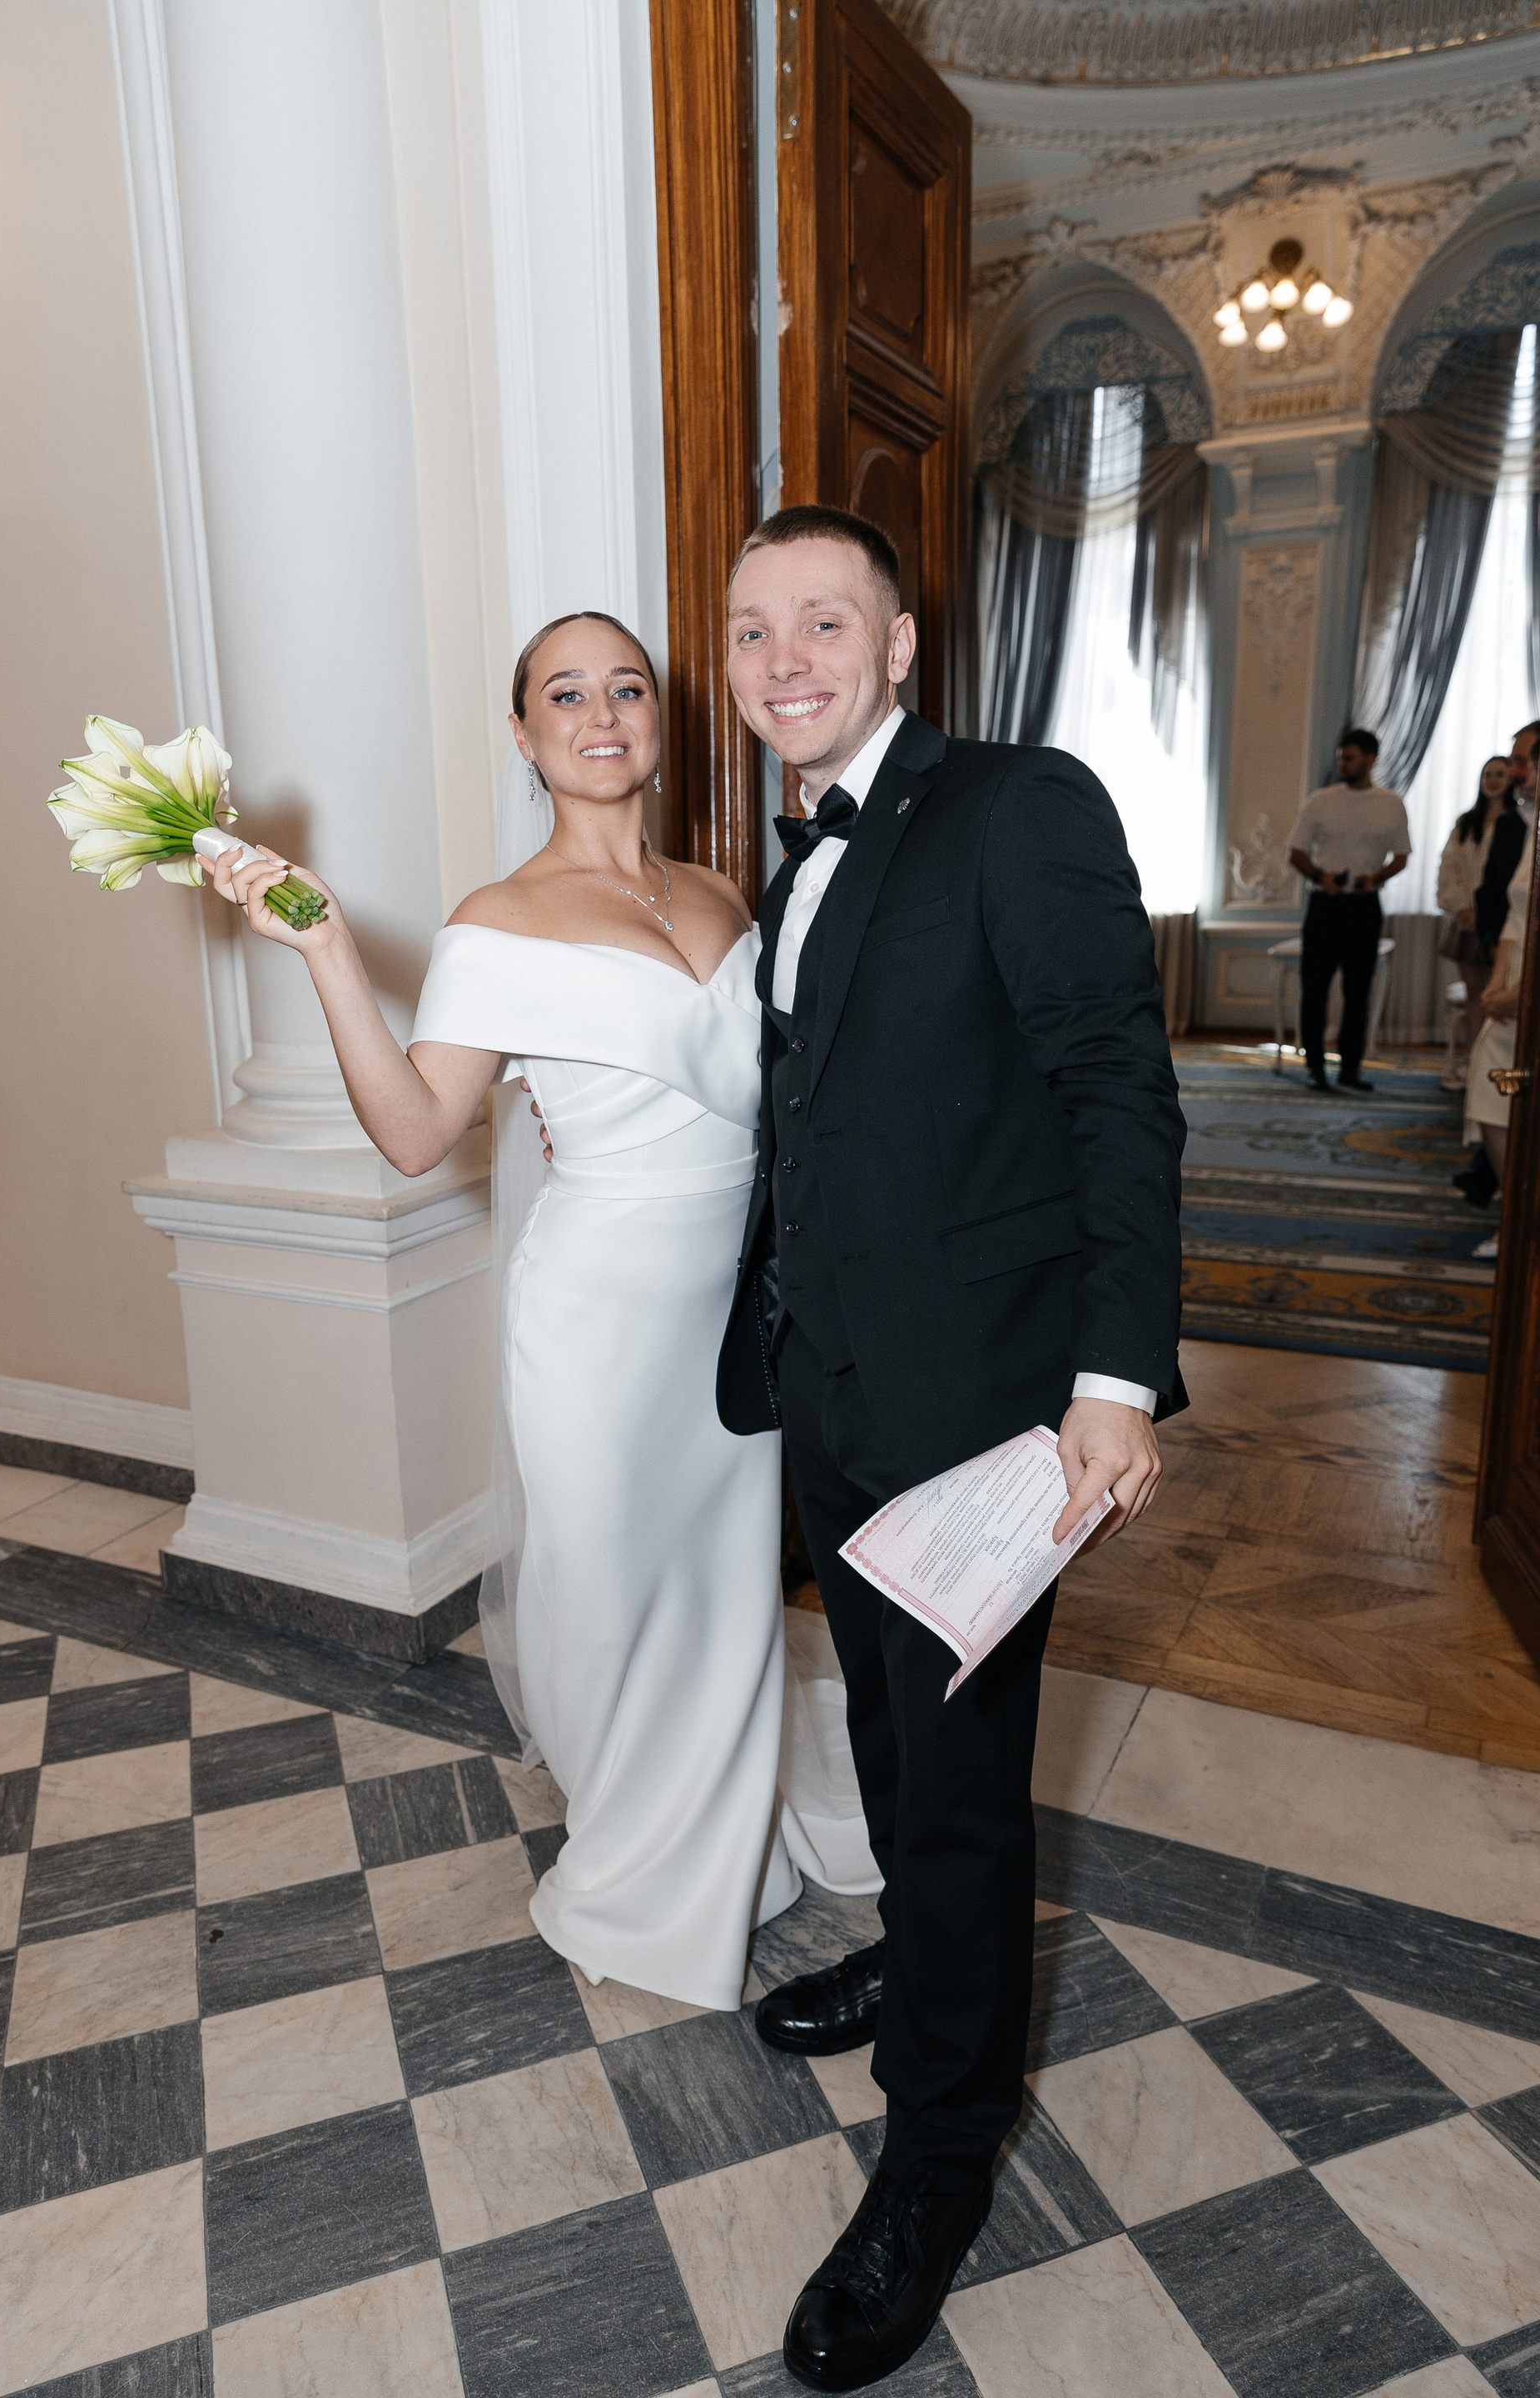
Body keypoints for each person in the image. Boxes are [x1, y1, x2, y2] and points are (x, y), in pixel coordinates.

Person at [206, 609, 873, 2013]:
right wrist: (324, 949)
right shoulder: (496, 924)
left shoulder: (726, 898)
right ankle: (642, 1867)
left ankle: (732, 1840)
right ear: (524, 733)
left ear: (661, 718)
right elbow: (415, 1134)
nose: (600, 713)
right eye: (565, 694)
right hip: (596, 1320)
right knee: (609, 1588)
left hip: (731, 1318)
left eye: (625, 687)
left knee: (725, 1589)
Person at [718, 504, 1185, 2391]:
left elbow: (1115, 1092)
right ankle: (924, 1960)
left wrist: (1115, 1382)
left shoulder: (1016, 804)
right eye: (753, 630)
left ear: (901, 645)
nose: (784, 660)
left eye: (824, 621)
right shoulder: (793, 861)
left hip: (986, 1410)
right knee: (894, 1737)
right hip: (833, 1387)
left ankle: (938, 2149)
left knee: (967, 1782)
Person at [1288, 728, 1410, 1094]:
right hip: (1324, 906)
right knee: (1314, 990)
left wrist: (1376, 877)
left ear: (1371, 760)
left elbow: (1401, 857)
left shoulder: (1391, 803)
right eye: (1341, 757)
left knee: (1359, 992)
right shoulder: (1320, 800)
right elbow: (1296, 852)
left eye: (1350, 758)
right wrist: (1320, 876)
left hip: (1364, 907)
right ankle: (1315, 1067)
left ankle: (1350, 1070)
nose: (1343, 763)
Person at [1463, 823, 1532, 1261]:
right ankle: (1515, 1217)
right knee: (1497, 1090)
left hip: (1531, 996)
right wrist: (1497, 986)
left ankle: (1521, 1223)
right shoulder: (1534, 829)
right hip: (1512, 1000)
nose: (1528, 789)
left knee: (1523, 1102)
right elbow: (1516, 917)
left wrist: (1521, 995)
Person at [1436, 755, 1521, 1069]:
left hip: (1501, 922)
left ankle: (1494, 1063)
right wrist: (1463, 909)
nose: (1493, 780)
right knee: (1475, 993)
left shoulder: (1518, 822)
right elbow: (1449, 867)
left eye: (1500, 774)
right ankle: (1473, 1061)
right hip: (1467, 921)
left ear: (1511, 779)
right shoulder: (1466, 822)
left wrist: (1486, 913)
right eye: (1487, 774)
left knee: (1495, 993)